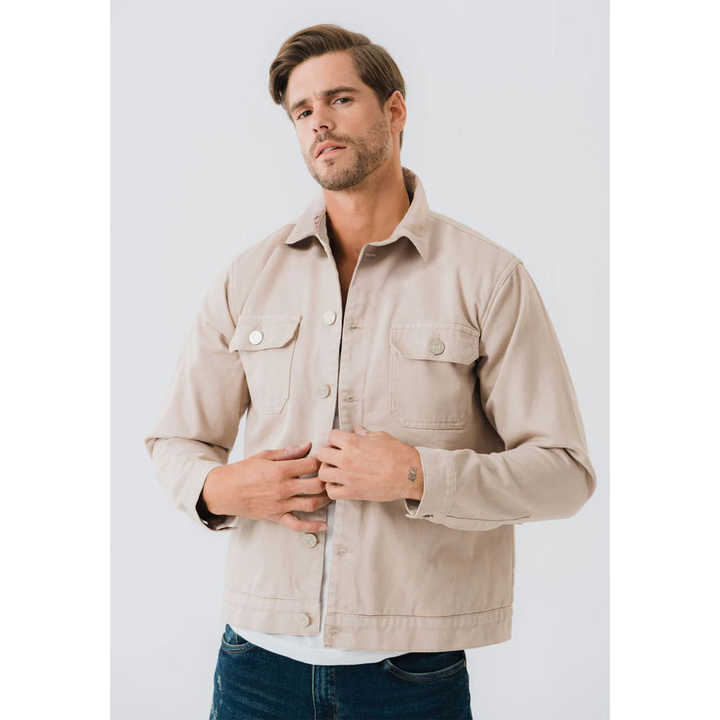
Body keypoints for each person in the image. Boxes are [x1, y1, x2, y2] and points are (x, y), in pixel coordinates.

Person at [144, 23, 597, 720]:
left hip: (411, 679)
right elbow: (176, 440)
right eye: (302, 110)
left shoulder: (488, 278)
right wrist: (221, 487)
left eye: (340, 99)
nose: (319, 122)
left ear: (395, 110)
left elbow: (564, 472)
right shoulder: (247, 277)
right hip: (254, 668)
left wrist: (416, 475)